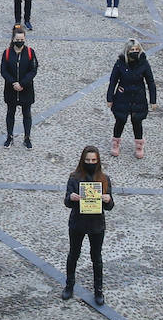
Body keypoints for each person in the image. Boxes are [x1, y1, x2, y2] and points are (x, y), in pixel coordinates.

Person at [62, 145, 115, 306]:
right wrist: (71, 197)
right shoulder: (74, 178)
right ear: (82, 161)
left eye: (93, 160)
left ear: (98, 161)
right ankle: (69, 285)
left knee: (96, 257)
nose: (90, 162)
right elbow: (67, 202)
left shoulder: (104, 179)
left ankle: (98, 290)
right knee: (73, 255)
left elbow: (110, 206)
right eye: (87, 160)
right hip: (78, 222)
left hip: (96, 224)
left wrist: (108, 200)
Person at [108, 39, 157, 160]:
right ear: (127, 51)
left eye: (136, 50)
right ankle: (116, 143)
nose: (134, 52)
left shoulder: (143, 63)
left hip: (138, 97)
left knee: (137, 121)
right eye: (132, 50)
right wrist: (109, 98)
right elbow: (113, 81)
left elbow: (150, 82)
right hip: (122, 96)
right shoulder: (120, 63)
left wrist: (153, 100)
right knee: (120, 120)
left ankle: (139, 146)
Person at [1, 26, 37, 148]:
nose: (20, 41)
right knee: (10, 113)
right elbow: (3, 71)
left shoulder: (30, 52)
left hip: (26, 90)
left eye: (22, 39)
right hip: (11, 90)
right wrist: (13, 83)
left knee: (26, 114)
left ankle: (27, 137)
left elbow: (33, 70)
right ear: (13, 39)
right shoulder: (6, 53)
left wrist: (22, 83)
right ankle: (9, 136)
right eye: (18, 39)